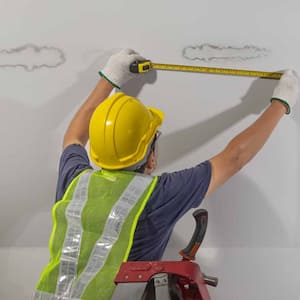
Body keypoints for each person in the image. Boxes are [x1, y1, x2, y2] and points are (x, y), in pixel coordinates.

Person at [33, 49, 299, 300]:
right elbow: (234, 158)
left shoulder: (75, 179)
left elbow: (74, 136)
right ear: (150, 156)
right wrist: (282, 102)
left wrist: (109, 78)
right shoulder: (158, 195)